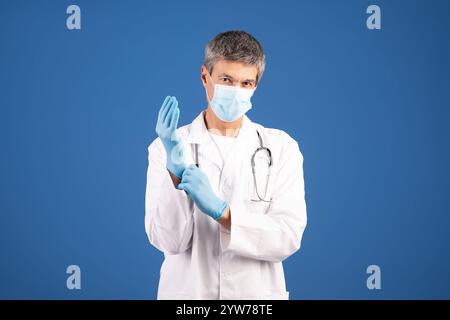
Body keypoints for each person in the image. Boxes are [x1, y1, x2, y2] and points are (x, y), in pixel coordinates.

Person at [145, 30, 307, 300]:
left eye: (246, 83)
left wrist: (224, 213)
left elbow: (287, 236)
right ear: (205, 77)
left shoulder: (281, 148)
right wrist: (174, 168)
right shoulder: (167, 147)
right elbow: (169, 241)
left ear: (256, 86)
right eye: (226, 79)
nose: (236, 91)